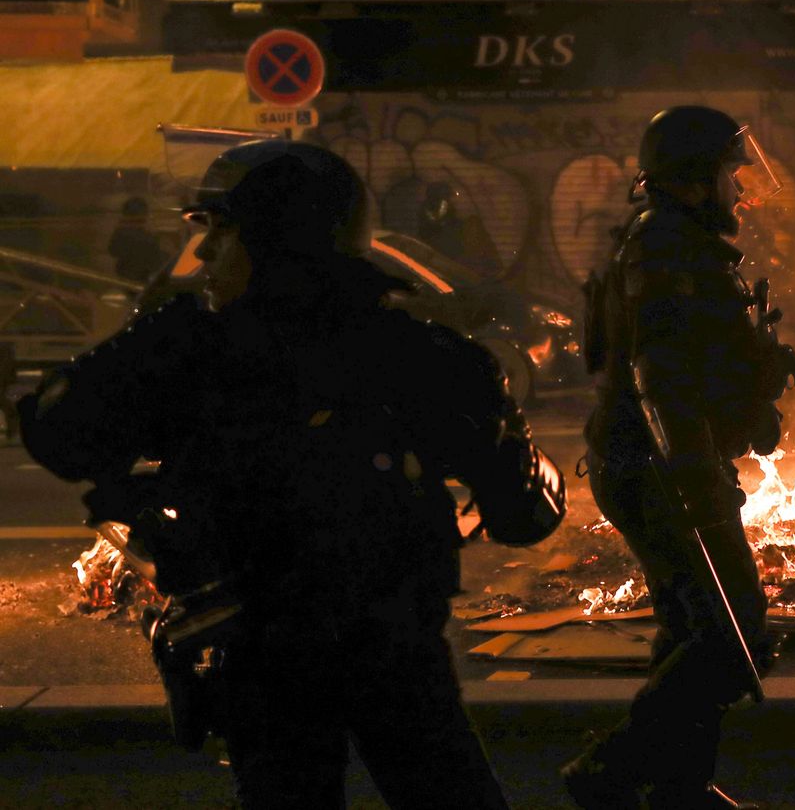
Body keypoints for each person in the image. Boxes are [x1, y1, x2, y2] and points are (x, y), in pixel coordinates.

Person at [18, 140, 566, 808]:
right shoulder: (412, 348)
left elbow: (58, 433)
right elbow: (524, 510)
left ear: (276, 239)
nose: (206, 256)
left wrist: (149, 345)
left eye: (221, 234)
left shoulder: (194, 347)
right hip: (388, 646)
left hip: (271, 650)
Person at [566, 106, 795, 810]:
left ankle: (680, 788)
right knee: (736, 636)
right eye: (731, 173)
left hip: (659, 464)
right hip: (664, 470)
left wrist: (753, 380)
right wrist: (698, 486)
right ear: (695, 178)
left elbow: (694, 360)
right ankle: (608, 770)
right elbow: (661, 377)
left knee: (690, 627)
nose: (741, 189)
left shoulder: (670, 241)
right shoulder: (667, 248)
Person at [419, 182, 501, 279]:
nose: (450, 199)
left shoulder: (453, 217)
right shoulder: (427, 210)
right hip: (440, 254)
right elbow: (431, 225)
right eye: (447, 196)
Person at [107, 196, 166, 283]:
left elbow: (113, 251)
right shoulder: (142, 233)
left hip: (129, 275)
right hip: (139, 276)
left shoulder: (122, 231)